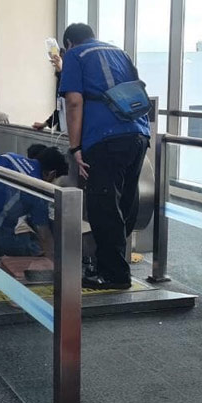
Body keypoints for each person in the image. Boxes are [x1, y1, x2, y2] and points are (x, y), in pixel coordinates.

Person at [59, 23, 150, 291]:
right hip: (138, 135)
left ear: (68, 43)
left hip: (104, 139)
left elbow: (74, 102)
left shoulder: (75, 56)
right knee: (125, 203)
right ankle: (113, 266)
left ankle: (114, 275)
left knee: (104, 206)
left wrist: (75, 148)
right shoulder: (120, 53)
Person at [33, 47, 64, 132]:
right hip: (63, 131)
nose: (54, 65)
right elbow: (59, 109)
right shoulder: (60, 79)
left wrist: (61, 71)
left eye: (56, 61)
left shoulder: (68, 81)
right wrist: (45, 124)